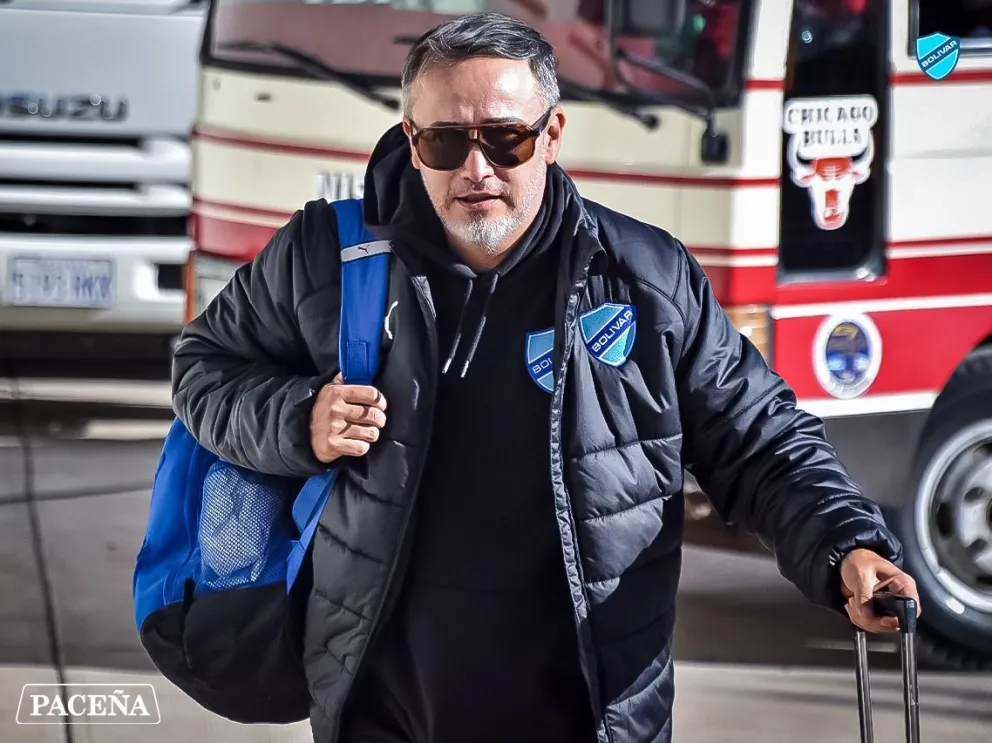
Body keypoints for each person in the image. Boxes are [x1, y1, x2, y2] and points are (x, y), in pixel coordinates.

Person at [171, 11, 920, 743]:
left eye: (506, 138)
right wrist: (301, 419)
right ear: (410, 139)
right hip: (382, 705)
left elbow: (759, 441)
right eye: (444, 141)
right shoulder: (326, 257)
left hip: (590, 710)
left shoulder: (646, 278)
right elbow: (203, 369)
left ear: (551, 134)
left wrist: (844, 544)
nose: (477, 169)